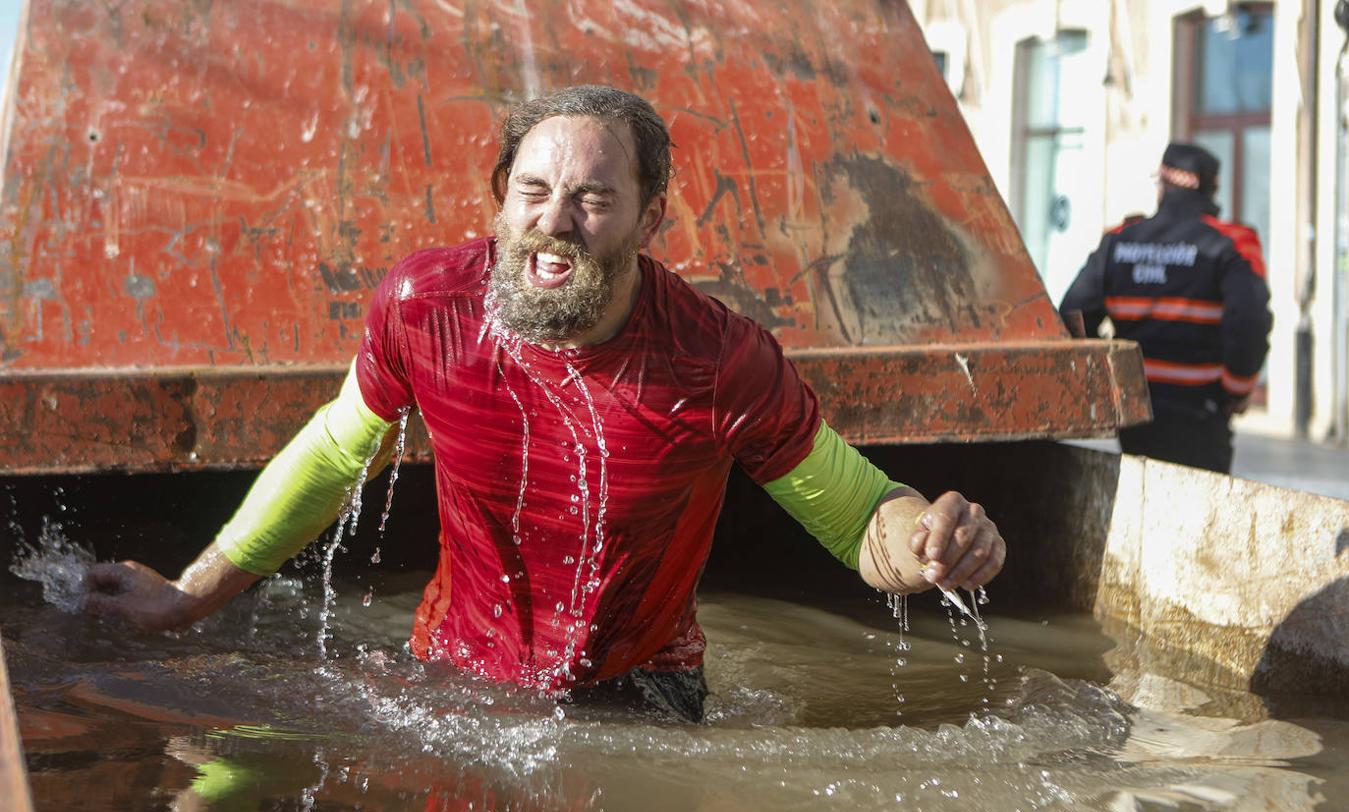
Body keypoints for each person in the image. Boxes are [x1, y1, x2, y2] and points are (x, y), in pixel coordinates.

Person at [82, 85, 1005, 722]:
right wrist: (183, 602)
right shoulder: (426, 307)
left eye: (594, 198)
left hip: (645, 698)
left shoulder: (718, 360)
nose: (555, 221)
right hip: (454, 688)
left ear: (649, 221)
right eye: (534, 191)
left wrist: (930, 540)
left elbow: (858, 522)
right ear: (501, 202)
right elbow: (332, 455)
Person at [1061, 142, 1272, 474]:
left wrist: (1099, 385)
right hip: (1201, 413)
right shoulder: (1233, 243)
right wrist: (1238, 388)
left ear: (1162, 185)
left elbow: (1073, 313)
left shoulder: (1119, 241)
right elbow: (1249, 322)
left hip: (1134, 414)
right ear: (1212, 189)